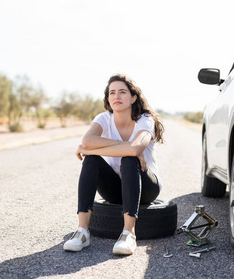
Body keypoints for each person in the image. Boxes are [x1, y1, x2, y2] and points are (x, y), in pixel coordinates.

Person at [63, 73, 165, 255]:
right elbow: (86, 142)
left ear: (133, 97)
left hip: (146, 186)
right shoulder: (104, 118)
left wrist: (97, 148)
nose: (116, 96)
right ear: (108, 98)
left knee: (129, 159)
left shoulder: (145, 119)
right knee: (91, 160)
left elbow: (134, 150)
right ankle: (82, 232)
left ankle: (129, 233)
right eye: (112, 92)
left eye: (122, 92)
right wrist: (118, 147)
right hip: (116, 190)